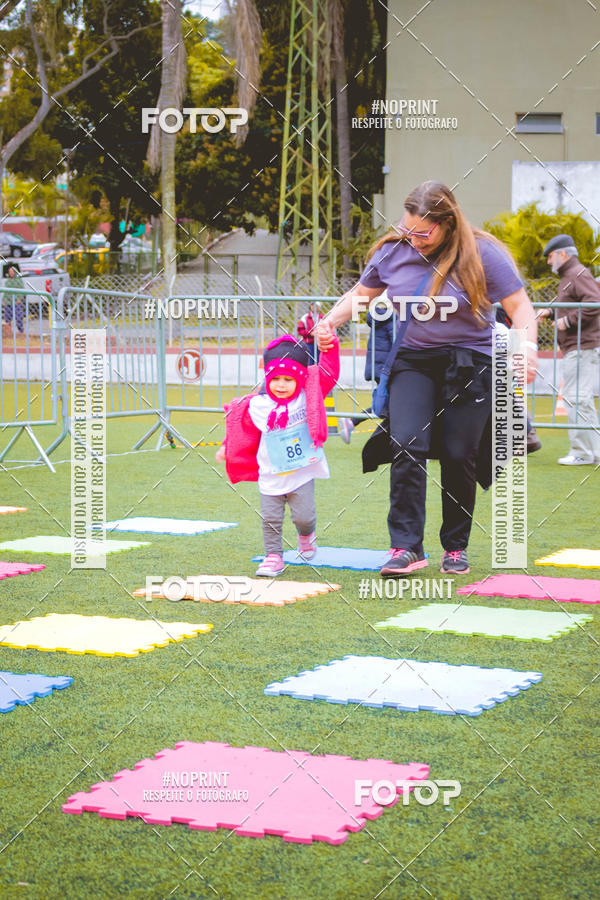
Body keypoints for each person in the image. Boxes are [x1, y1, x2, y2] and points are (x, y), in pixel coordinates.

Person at [317, 180, 538, 576]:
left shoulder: (482, 253)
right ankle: (406, 547)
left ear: (447, 223)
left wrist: (527, 348)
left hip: (469, 364)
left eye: (422, 232)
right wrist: (330, 321)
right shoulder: (393, 252)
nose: (414, 239)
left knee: (457, 454)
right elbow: (360, 294)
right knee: (405, 445)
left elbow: (520, 306)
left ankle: (455, 546)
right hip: (413, 362)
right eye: (408, 229)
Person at [216, 334, 340, 577]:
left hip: (302, 472)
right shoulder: (258, 405)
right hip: (270, 474)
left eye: (288, 379)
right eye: (276, 379)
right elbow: (240, 429)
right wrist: (226, 446)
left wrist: (331, 346)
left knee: (303, 517)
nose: (281, 385)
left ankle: (306, 535)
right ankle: (273, 556)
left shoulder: (308, 398)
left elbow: (329, 373)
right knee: (270, 519)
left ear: (300, 379)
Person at [539, 234, 600, 465]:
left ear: (563, 254)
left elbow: (593, 303)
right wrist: (551, 312)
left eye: (551, 256)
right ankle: (591, 452)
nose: (548, 261)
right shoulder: (571, 276)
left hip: (581, 346)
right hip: (579, 346)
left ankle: (582, 453)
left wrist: (567, 321)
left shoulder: (576, 274)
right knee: (580, 399)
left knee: (576, 398)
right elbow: (576, 303)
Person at [338, 306, 395, 443]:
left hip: (379, 367)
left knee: (387, 406)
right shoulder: (392, 318)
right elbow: (398, 343)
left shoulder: (381, 317)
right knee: (390, 406)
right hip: (387, 369)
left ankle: (352, 422)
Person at [2, 265, 25, 336]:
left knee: (18, 317)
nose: (11, 273)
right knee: (7, 318)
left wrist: (19, 298)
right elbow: (5, 292)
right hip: (8, 302)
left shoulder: (19, 281)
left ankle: (21, 331)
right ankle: (9, 333)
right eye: (10, 272)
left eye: (12, 272)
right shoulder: (7, 281)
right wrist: (3, 300)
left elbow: (22, 290)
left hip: (16, 302)